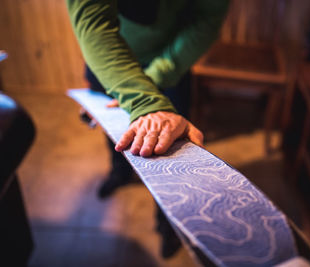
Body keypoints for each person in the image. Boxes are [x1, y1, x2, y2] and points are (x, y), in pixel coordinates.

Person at [66, 0, 230, 258]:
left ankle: (167, 225)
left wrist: (148, 90)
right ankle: (119, 173)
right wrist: (137, 96)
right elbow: (93, 21)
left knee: (168, 149)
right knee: (117, 131)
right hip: (109, 55)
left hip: (169, 61)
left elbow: (205, 22)